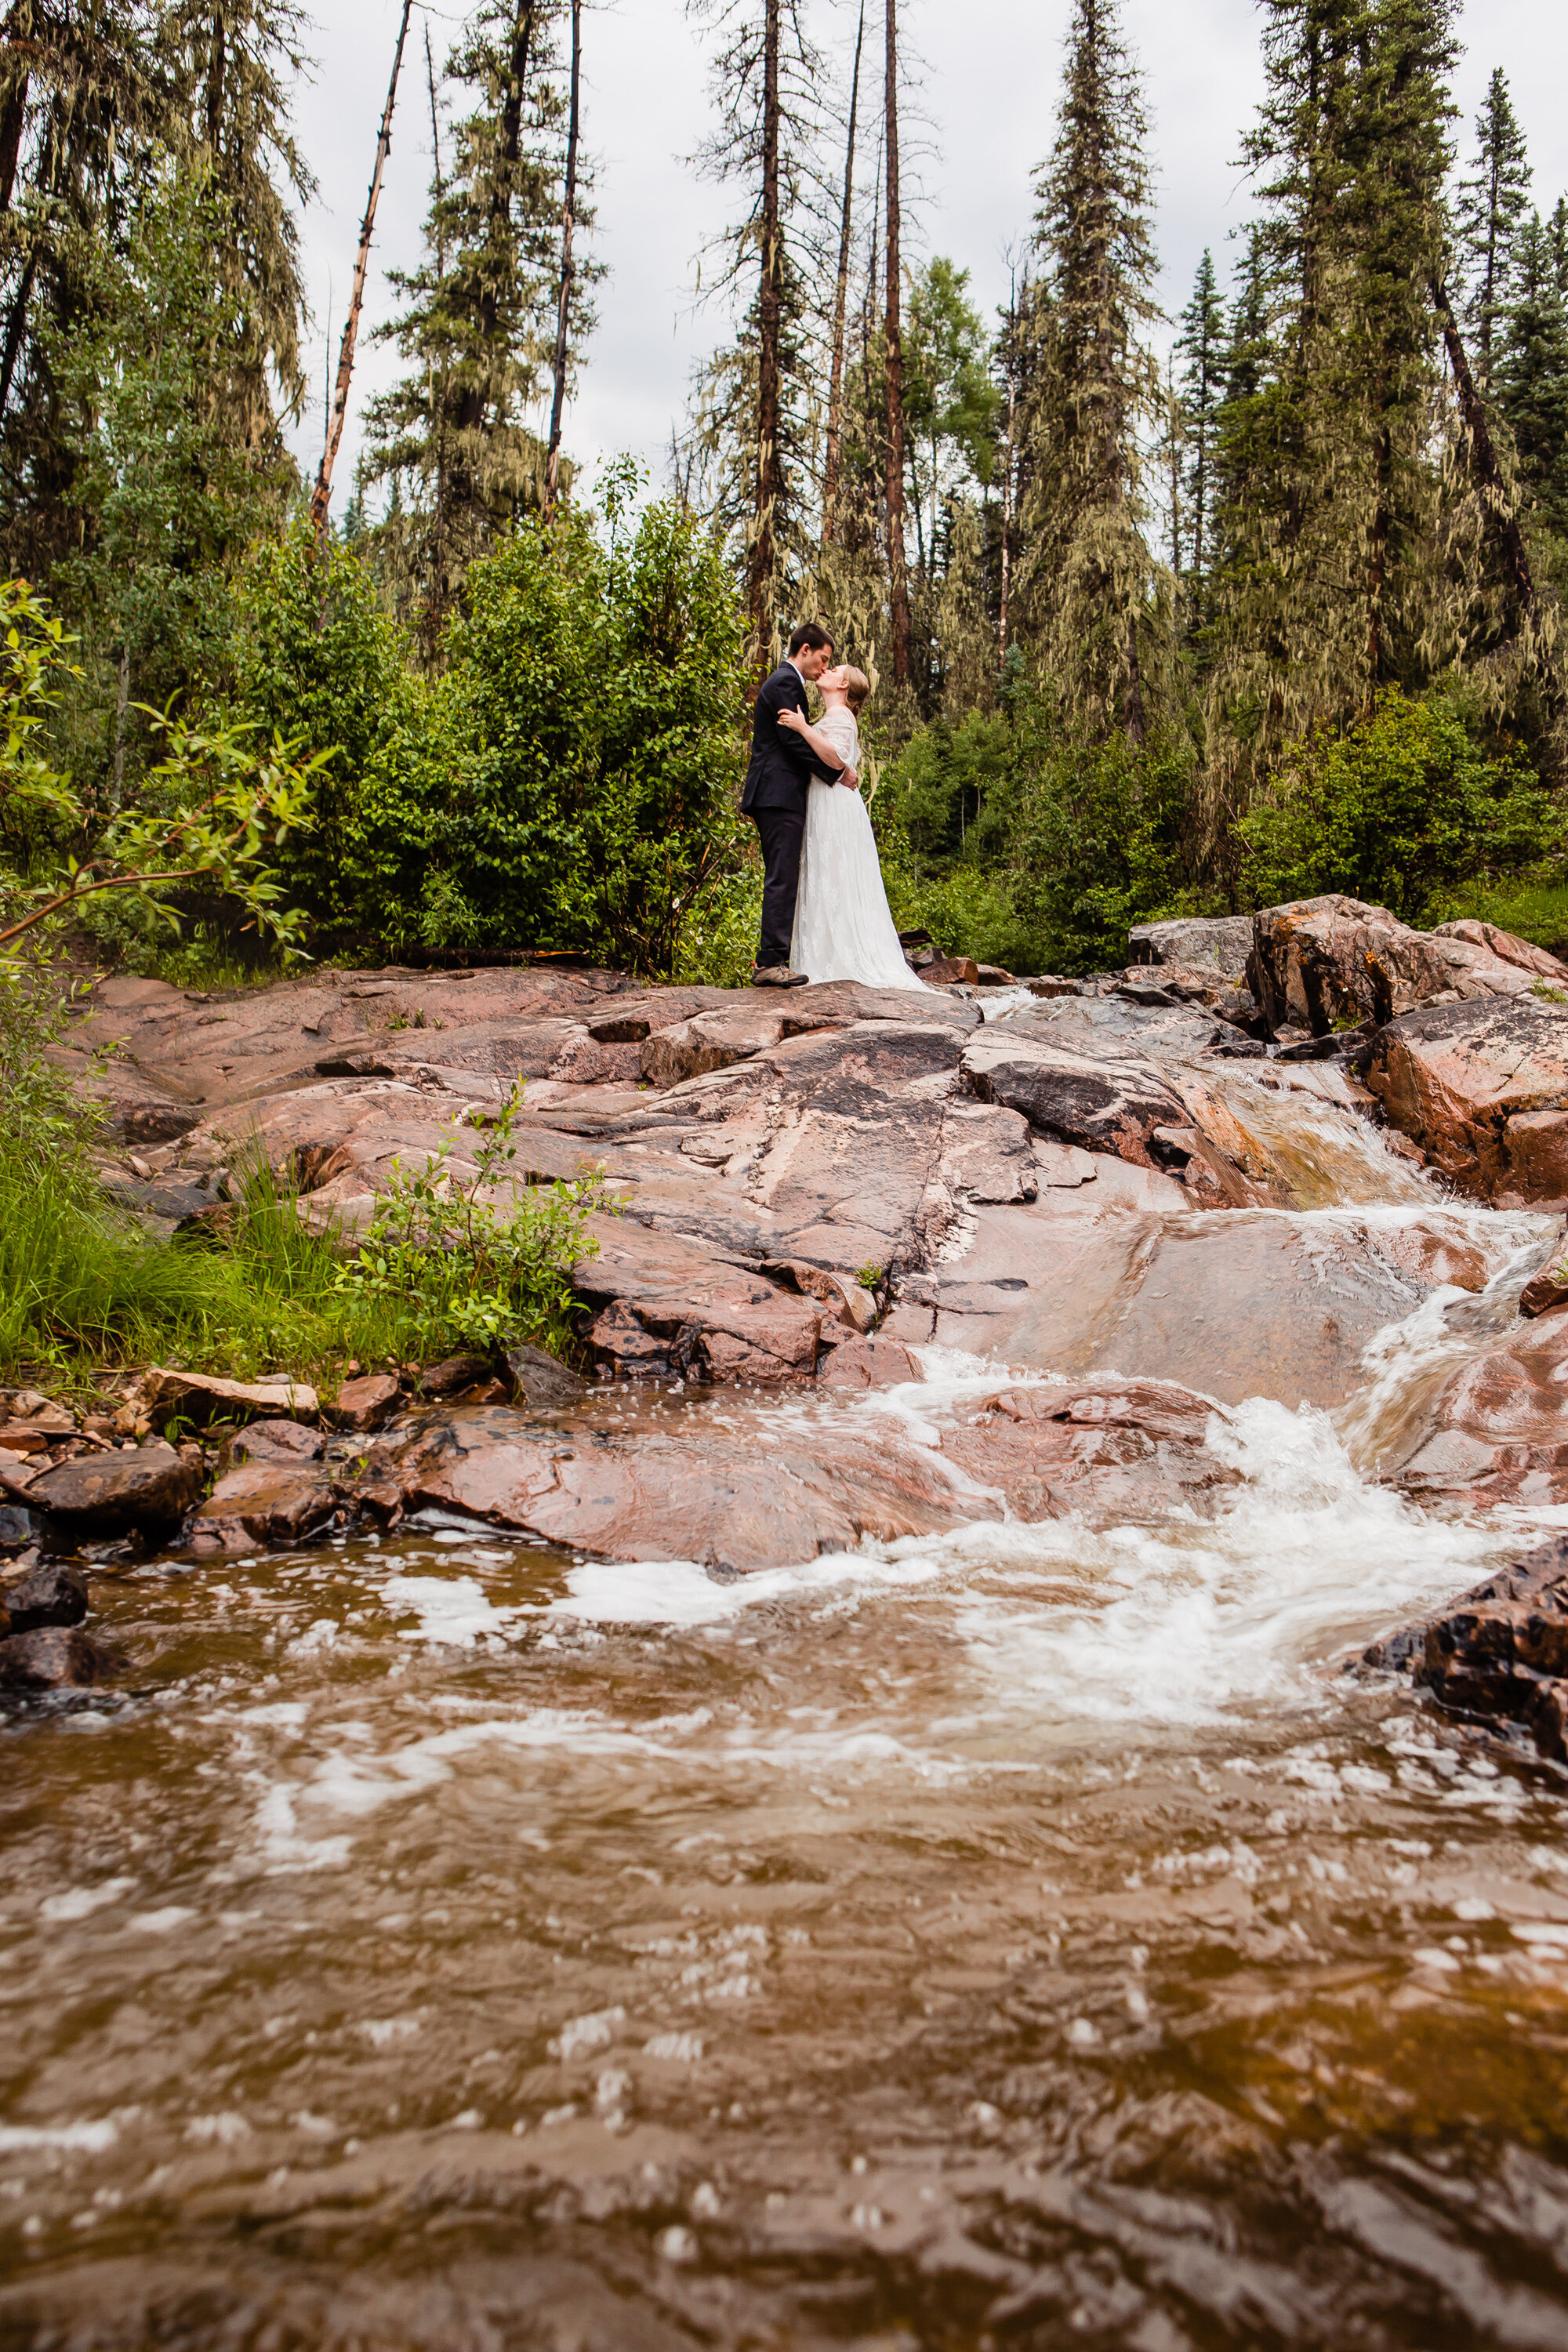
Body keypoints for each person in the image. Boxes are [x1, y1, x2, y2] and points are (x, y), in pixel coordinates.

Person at [782, 665, 930, 992]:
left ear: (844, 684)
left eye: (833, 669)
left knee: (835, 873)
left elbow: (837, 760)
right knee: (826, 875)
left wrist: (804, 729)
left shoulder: (842, 716)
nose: (826, 669)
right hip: (825, 801)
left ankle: (839, 962)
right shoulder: (833, 715)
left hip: (835, 806)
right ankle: (821, 957)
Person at [739, 620, 856, 988]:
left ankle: (772, 959)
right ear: (804, 650)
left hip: (774, 794)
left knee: (783, 874)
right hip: (777, 794)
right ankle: (770, 963)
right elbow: (793, 744)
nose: (823, 668)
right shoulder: (787, 682)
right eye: (822, 660)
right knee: (782, 877)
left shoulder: (783, 682)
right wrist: (836, 775)